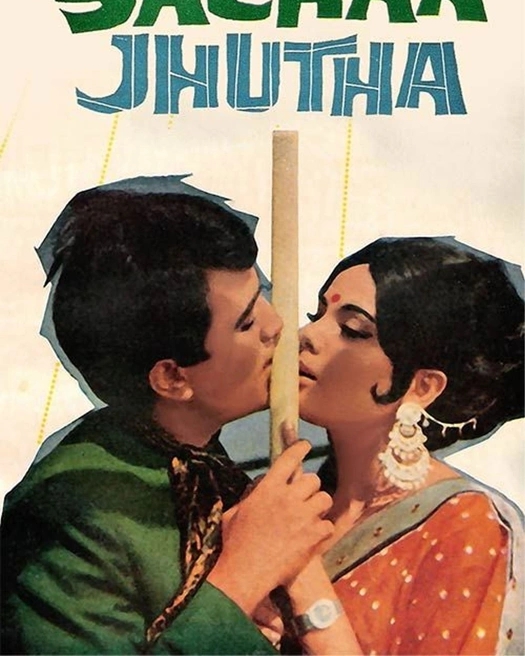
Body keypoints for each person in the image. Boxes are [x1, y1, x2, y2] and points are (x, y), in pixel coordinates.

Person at [1, 185, 334, 655]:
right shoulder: (69, 515)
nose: (275, 325)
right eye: (245, 323)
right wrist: (244, 576)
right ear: (172, 378)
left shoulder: (203, 464)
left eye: (261, 294)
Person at [282, 237, 524, 655]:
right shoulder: (295, 502)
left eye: (353, 330)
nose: (307, 336)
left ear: (422, 386)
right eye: (316, 315)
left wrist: (304, 581)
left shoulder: (466, 525)